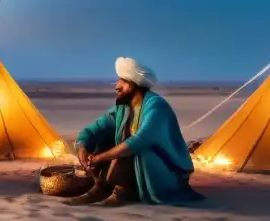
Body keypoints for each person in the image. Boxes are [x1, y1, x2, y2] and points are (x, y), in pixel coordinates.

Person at [67, 57, 202, 207]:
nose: (116, 86)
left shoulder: (156, 105)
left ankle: (123, 191)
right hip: (139, 167)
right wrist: (82, 149)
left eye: (122, 81)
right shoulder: (123, 108)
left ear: (133, 84)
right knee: (100, 137)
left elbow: (140, 140)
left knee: (133, 148)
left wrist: (100, 158)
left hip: (167, 170)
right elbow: (92, 130)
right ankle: (101, 186)